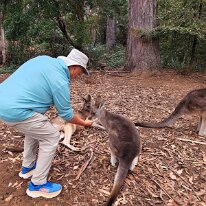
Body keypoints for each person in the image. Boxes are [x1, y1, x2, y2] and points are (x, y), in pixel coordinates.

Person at [0, 48, 93, 198]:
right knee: (51, 136)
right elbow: (67, 114)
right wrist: (84, 122)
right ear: (75, 67)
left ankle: (27, 168)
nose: (78, 76)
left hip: (4, 101)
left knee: (36, 129)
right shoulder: (60, 80)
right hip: (16, 110)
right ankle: (38, 185)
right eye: (80, 73)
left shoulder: (44, 60)